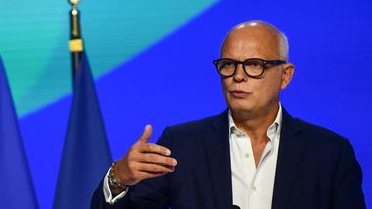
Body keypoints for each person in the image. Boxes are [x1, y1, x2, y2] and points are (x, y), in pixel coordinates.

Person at [91, 20, 366, 209]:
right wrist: (119, 178)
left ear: (285, 76)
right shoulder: (181, 144)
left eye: (254, 65)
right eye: (228, 65)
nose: (237, 77)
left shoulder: (330, 153)